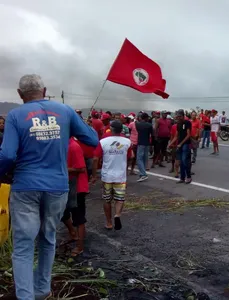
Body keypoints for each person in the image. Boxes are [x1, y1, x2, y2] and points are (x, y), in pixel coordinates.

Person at [0, 74, 98, 300]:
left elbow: (6, 154)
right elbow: (92, 140)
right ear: (44, 91)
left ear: (19, 94)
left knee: (24, 244)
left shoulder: (15, 115)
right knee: (48, 237)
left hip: (25, 186)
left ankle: (26, 296)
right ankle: (42, 290)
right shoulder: (65, 111)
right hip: (56, 186)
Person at [92, 120, 132, 230]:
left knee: (107, 199)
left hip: (107, 176)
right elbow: (130, 156)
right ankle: (117, 214)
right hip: (121, 176)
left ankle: (109, 222)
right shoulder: (127, 142)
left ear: (111, 128)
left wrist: (94, 175)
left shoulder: (103, 141)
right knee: (120, 198)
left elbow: (95, 158)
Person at [60, 138, 88, 257]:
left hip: (77, 187)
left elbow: (81, 168)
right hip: (64, 185)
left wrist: (63, 169)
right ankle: (73, 232)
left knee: (78, 218)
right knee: (62, 213)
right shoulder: (62, 144)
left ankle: (80, 246)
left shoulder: (74, 146)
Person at [168, 110, 192, 183]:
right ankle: (182, 178)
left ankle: (188, 177)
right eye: (177, 116)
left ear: (183, 116)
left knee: (185, 161)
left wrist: (181, 143)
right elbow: (176, 136)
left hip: (186, 144)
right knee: (181, 162)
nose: (178, 118)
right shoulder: (178, 124)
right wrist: (170, 143)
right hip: (180, 144)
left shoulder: (187, 123)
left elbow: (188, 135)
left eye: (180, 116)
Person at [135, 113, 153, 182]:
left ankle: (143, 174)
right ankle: (143, 172)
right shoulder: (149, 125)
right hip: (147, 143)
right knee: (145, 158)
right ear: (146, 118)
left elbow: (136, 124)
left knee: (139, 159)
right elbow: (152, 134)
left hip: (140, 143)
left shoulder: (138, 124)